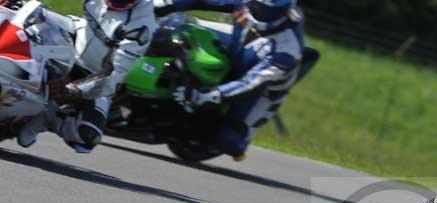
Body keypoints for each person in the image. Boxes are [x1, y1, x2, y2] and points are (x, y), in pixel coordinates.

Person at [152, 0, 311, 160]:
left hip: (261, 90)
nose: (260, 12)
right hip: (240, 43)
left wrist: (209, 96)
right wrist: (162, 5)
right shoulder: (245, 3)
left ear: (285, 9)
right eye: (257, 5)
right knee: (176, 27)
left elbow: (251, 84)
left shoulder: (287, 49)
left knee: (231, 142)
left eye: (269, 11)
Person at [17, 0, 156, 151]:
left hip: (96, 74)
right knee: (26, 12)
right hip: (74, 36)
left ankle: (46, 115)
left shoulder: (140, 29)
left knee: (87, 137)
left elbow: (114, 74)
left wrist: (73, 90)